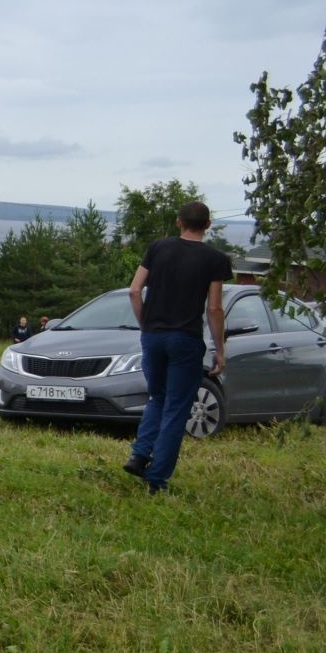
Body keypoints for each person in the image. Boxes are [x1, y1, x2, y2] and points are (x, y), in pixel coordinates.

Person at [125, 200, 232, 493]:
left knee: (157, 398)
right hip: (185, 339)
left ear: (178, 222)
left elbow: (134, 290)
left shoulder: (158, 248)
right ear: (207, 225)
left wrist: (145, 322)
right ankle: (156, 479)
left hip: (153, 336)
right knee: (176, 408)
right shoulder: (216, 259)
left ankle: (139, 454)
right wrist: (219, 349)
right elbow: (213, 309)